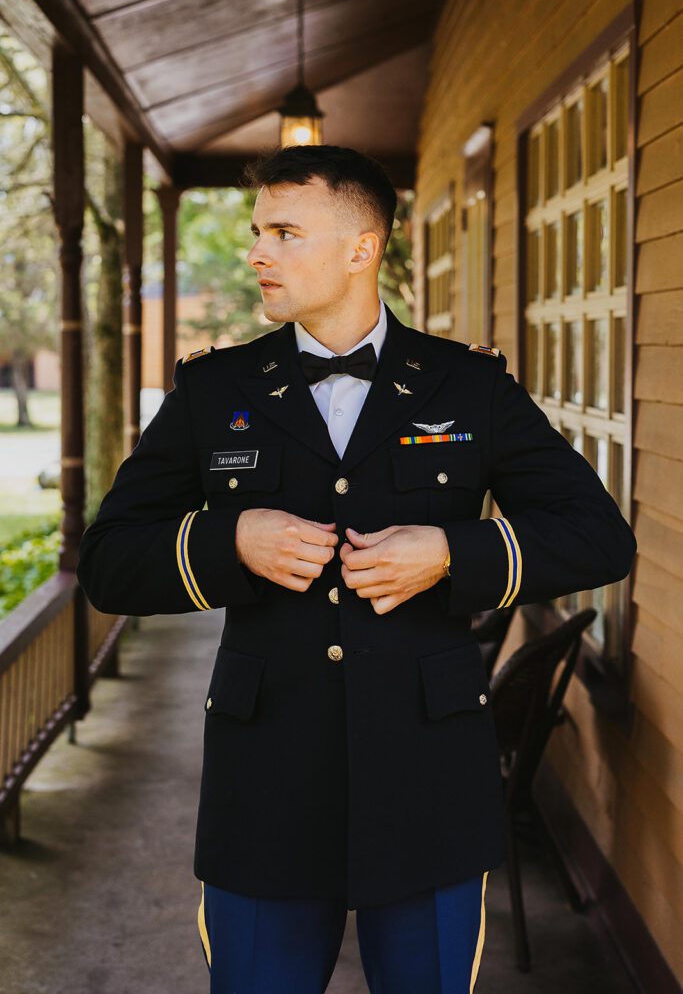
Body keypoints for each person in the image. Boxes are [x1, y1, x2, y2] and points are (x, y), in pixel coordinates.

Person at [76, 144, 637, 993]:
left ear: (360, 248)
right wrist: (229, 541)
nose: (257, 252)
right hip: (264, 784)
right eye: (256, 231)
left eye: (283, 231)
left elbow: (598, 536)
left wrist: (452, 552)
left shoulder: (469, 387)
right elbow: (109, 561)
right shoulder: (211, 389)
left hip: (427, 780)